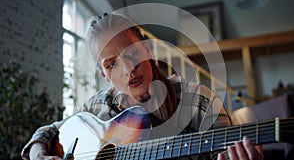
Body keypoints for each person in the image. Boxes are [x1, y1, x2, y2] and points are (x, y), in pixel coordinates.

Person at [21, 12, 263, 160]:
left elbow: (227, 152)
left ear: (148, 50)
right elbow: (47, 133)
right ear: (105, 75)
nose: (128, 68)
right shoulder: (95, 109)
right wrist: (38, 155)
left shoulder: (199, 101)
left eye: (133, 52)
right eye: (112, 64)